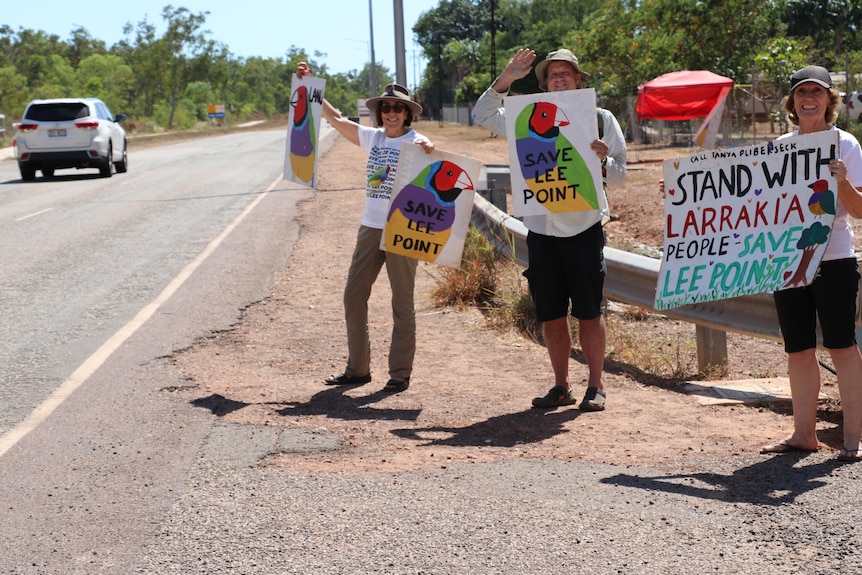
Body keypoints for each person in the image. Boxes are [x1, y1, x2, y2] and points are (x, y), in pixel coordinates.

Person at [472, 48, 627, 410]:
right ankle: (561, 386)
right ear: (544, 82)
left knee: (589, 312)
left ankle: (595, 386)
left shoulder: (601, 119)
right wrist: (507, 77)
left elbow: (621, 175)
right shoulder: (524, 116)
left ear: (578, 79)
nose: (559, 78)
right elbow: (482, 114)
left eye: (566, 73)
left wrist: (603, 161)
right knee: (552, 314)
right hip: (541, 230)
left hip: (584, 228)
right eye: (553, 74)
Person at [296, 62, 434, 393]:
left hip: (403, 229)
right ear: (379, 112)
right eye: (386, 107)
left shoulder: (417, 140)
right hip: (371, 227)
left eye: (398, 108)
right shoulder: (372, 138)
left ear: (407, 113)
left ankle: (399, 373)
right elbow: (336, 120)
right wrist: (310, 86)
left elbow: (432, 152)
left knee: (402, 302)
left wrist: (429, 149)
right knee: (353, 295)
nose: (391, 113)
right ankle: (357, 369)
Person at [760, 65, 862, 462]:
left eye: (816, 92)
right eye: (801, 91)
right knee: (798, 348)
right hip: (787, 260)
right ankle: (804, 434)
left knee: (842, 346)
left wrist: (842, 182)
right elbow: (750, 202)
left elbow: (858, 211)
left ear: (828, 101)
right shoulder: (778, 146)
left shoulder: (847, 145)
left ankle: (852, 437)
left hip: (834, 258)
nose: (808, 98)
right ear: (792, 102)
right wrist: (684, 193)